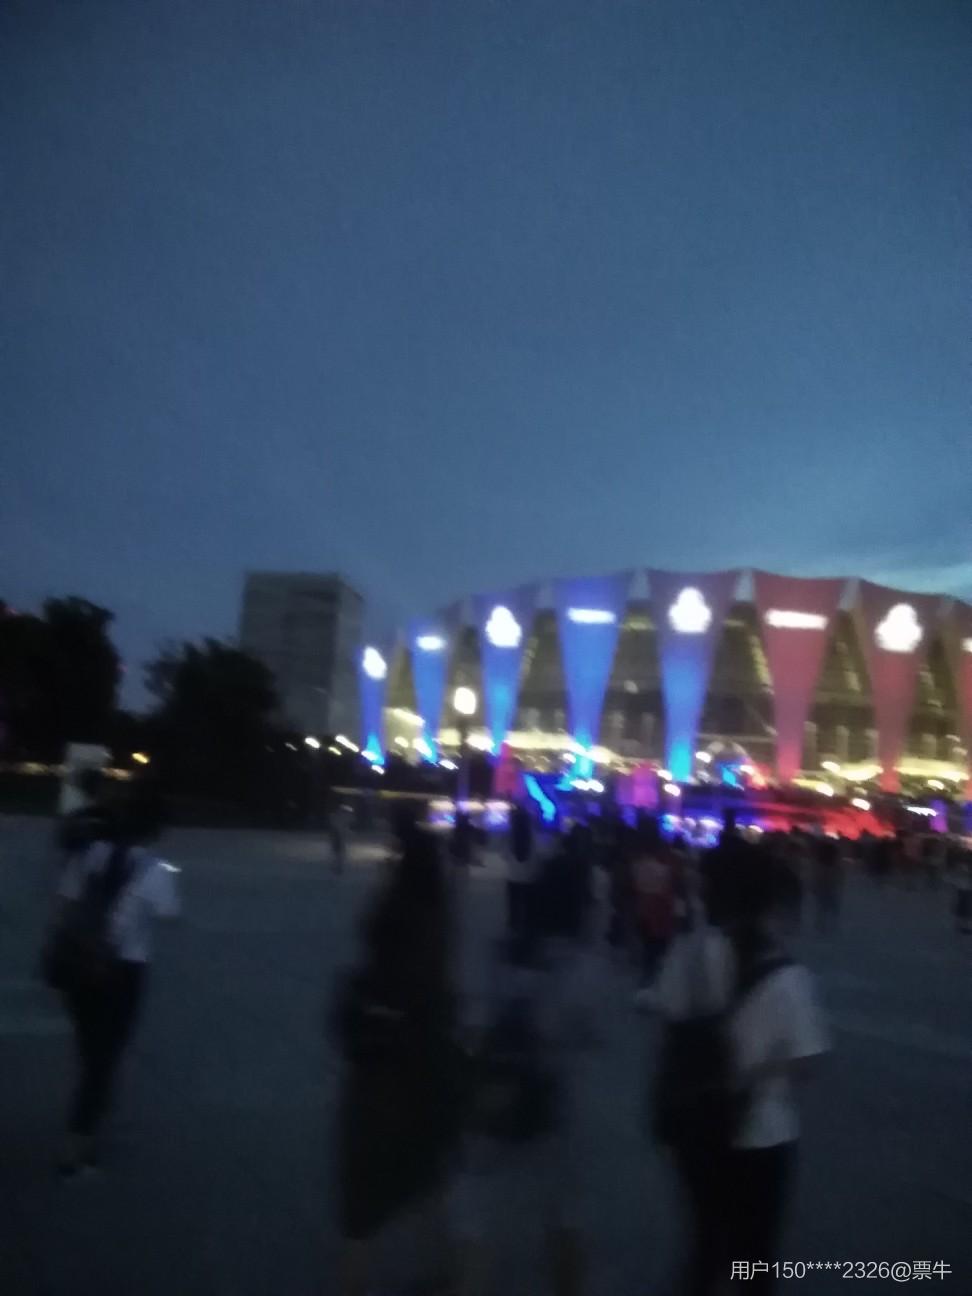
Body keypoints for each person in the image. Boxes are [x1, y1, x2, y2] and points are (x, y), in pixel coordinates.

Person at [655, 845, 828, 1295]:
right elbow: (808, 1060)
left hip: (695, 1124)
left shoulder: (688, 954)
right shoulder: (788, 977)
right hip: (763, 1131)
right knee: (755, 1256)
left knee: (704, 1242)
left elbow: (668, 1016)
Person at [331, 829, 464, 1296]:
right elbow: (442, 999)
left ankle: (354, 1283)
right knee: (429, 1177)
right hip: (423, 1070)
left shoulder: (385, 914)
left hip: (374, 1074)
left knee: (360, 1205)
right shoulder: (436, 923)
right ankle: (441, 1271)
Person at [47, 781, 179, 1176]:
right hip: (124, 972)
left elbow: (65, 901)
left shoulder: (90, 853)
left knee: (90, 1048)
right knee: (104, 1058)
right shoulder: (156, 869)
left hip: (78, 963)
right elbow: (169, 912)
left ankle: (93, 1115)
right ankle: (76, 1144)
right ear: (154, 828)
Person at [506, 803, 538, 940]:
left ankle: (514, 927)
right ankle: (527, 927)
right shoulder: (531, 834)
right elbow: (536, 853)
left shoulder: (511, 835)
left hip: (513, 875)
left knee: (514, 904)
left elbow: (504, 854)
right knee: (527, 904)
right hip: (528, 876)